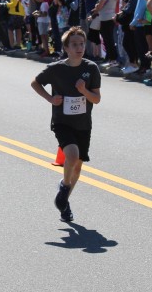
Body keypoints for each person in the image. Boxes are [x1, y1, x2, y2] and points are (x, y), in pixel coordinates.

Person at [30, 27, 101, 223]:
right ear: (66, 48)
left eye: (82, 44)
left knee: (77, 167)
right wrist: (50, 99)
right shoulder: (56, 69)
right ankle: (65, 187)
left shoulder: (91, 68)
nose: (79, 48)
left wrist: (84, 91)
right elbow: (35, 83)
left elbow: (96, 99)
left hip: (83, 124)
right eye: (74, 45)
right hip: (62, 121)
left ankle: (64, 198)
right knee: (72, 155)